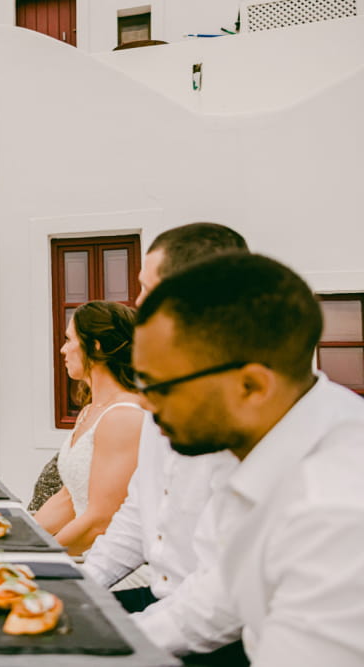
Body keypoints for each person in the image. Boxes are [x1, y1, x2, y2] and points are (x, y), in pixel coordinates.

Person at [131, 253, 364, 665]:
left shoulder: (335, 510)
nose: (146, 406)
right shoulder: (256, 446)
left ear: (252, 386)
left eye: (159, 387)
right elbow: (213, 601)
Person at [83, 222, 249, 615]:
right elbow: (138, 510)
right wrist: (81, 589)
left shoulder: (247, 405)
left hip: (219, 625)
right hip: (160, 600)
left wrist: (131, 633)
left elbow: (222, 592)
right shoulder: (162, 381)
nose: (137, 302)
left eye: (147, 288)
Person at [33, 301, 145, 556]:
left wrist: (37, 558)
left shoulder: (124, 417)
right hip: (80, 550)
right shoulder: (89, 411)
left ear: (95, 345)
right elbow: (70, 497)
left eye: (69, 340)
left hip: (113, 564)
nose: (63, 349)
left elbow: (99, 522)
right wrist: (18, 540)